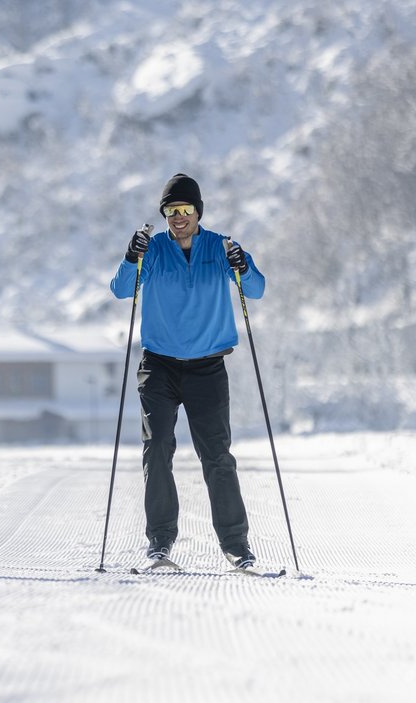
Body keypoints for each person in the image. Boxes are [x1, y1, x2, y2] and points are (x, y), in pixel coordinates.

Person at [108, 173, 265, 568]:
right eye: (171, 210)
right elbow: (121, 289)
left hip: (207, 368)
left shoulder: (220, 247)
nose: (178, 216)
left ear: (198, 212)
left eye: (185, 209)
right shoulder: (153, 249)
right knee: (158, 447)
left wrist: (242, 265)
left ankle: (236, 545)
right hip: (159, 366)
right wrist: (131, 257)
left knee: (217, 456)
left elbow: (256, 289)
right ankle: (159, 542)